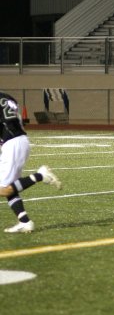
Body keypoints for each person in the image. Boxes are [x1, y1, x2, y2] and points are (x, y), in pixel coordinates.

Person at [0, 91, 62, 233]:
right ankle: (25, 222)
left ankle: (41, 175)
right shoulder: (8, 97)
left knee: (3, 189)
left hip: (12, 143)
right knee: (10, 187)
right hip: (19, 140)